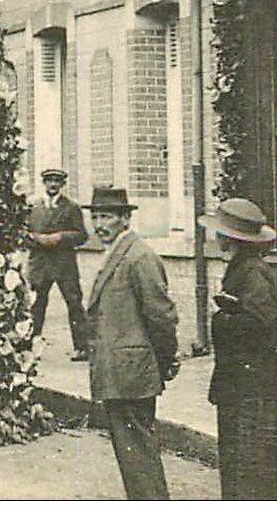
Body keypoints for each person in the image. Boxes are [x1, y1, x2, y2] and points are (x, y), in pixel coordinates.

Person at [201, 197, 277, 499]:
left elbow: (259, 324)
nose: (216, 238)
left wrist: (220, 318)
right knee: (249, 460)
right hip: (248, 385)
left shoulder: (252, 273)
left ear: (229, 239)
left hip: (252, 390)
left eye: (220, 233)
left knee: (252, 461)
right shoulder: (245, 268)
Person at [84, 187, 178, 501]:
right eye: (95, 216)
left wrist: (164, 361)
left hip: (132, 373)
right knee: (132, 454)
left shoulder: (139, 256)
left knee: (138, 453)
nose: (99, 224)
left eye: (107, 216)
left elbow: (161, 316)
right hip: (120, 372)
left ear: (125, 218)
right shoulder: (113, 253)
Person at [27, 166, 90, 360]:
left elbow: (82, 235)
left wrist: (60, 237)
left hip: (64, 264)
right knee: (36, 305)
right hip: (40, 264)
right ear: (44, 183)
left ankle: (82, 347)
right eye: (49, 181)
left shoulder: (71, 207)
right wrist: (35, 238)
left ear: (62, 184)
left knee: (74, 303)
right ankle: (30, 345)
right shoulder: (33, 207)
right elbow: (22, 233)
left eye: (57, 181)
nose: (53, 185)